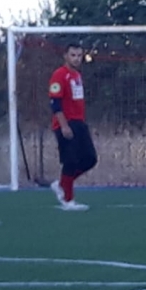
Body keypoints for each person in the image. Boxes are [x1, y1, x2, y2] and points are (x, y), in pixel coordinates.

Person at [48, 43, 97, 211]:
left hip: (79, 122)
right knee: (70, 161)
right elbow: (55, 103)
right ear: (66, 56)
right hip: (66, 123)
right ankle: (68, 200)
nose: (76, 59)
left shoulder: (77, 75)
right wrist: (64, 126)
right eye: (73, 55)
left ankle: (62, 183)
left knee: (90, 159)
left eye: (79, 55)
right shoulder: (59, 75)